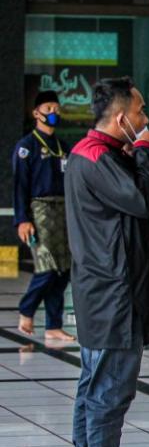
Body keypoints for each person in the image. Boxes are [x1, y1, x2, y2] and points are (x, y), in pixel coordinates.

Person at [64, 77, 149, 447]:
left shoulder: (94, 154)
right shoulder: (97, 156)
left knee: (93, 388)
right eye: (140, 113)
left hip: (102, 292)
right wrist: (148, 152)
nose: (145, 120)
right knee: (109, 393)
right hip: (113, 296)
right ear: (122, 118)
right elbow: (142, 200)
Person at [12, 91, 75, 341]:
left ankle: (53, 325)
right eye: (49, 108)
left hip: (63, 211)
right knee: (47, 266)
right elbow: (19, 185)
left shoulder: (63, 147)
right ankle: (26, 309)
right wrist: (22, 219)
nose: (53, 113)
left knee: (63, 269)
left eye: (57, 109)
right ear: (36, 113)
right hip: (39, 211)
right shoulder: (26, 147)